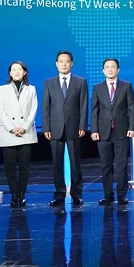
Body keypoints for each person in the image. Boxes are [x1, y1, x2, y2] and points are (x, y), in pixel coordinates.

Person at [42, 50, 88, 207]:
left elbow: (83, 106)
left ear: (71, 64)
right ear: (56, 64)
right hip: (55, 127)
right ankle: (59, 194)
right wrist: (46, 127)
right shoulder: (49, 83)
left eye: (67, 61)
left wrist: (82, 125)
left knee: (75, 163)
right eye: (61, 61)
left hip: (74, 127)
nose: (64, 64)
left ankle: (77, 194)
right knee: (57, 164)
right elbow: (46, 107)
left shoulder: (80, 82)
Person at [90, 58, 134, 205]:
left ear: (118, 70)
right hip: (103, 132)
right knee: (106, 165)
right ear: (103, 70)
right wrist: (94, 130)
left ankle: (122, 195)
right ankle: (108, 195)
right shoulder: (98, 88)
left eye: (113, 67)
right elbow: (95, 110)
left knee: (122, 165)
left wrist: (132, 127)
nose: (110, 69)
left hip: (122, 131)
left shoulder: (126, 86)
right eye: (107, 67)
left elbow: (131, 108)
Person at [0, 61, 38, 208]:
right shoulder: (3, 89)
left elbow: (33, 110)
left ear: (24, 72)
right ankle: (14, 195)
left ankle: (22, 194)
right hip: (8, 133)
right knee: (10, 168)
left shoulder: (31, 89)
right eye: (14, 69)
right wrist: (12, 128)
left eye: (20, 69)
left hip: (26, 132)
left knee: (24, 168)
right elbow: (0, 110)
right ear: (10, 73)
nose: (17, 72)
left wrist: (24, 127)